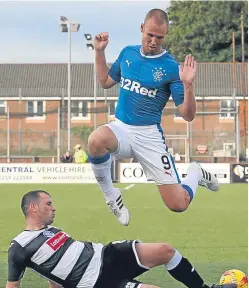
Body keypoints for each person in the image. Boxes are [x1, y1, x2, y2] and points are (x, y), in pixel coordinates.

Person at [1, 190, 238, 288]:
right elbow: (13, 285)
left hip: (107, 255)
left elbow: (54, 277)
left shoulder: (53, 231)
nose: (54, 207)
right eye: (48, 203)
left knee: (165, 250)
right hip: (102, 285)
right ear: (33, 208)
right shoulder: (20, 246)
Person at [87, 8, 219, 226]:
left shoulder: (170, 68)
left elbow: (188, 115)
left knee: (178, 204)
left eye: (159, 37)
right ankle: (111, 196)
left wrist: (188, 85)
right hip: (122, 128)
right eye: (150, 35)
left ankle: (195, 173)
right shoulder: (127, 53)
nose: (153, 41)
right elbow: (105, 82)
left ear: (165, 35)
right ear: (142, 28)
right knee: (95, 139)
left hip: (149, 137)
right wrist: (99, 52)